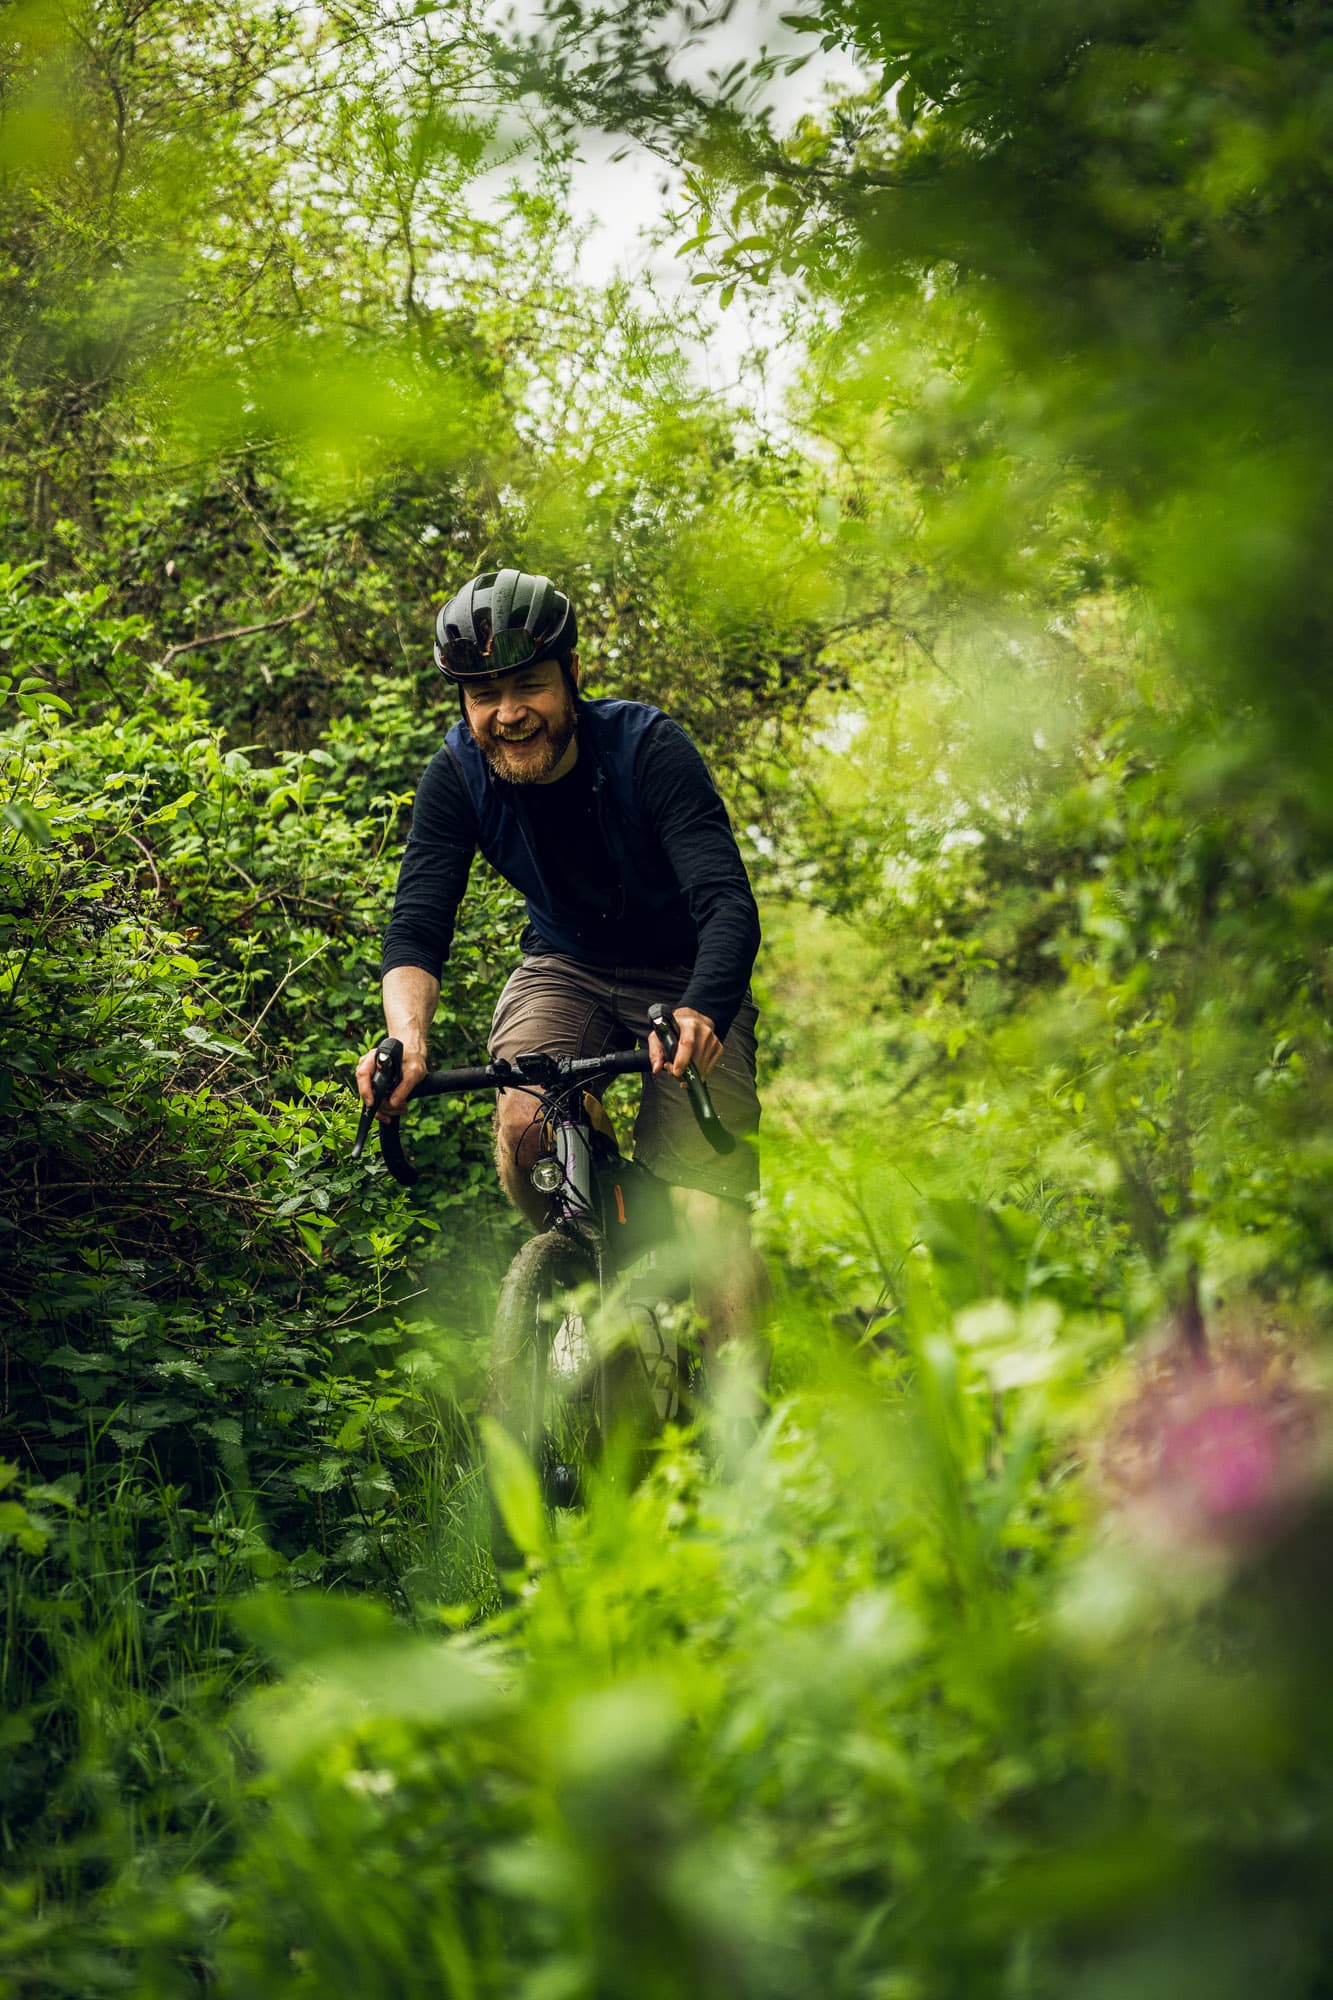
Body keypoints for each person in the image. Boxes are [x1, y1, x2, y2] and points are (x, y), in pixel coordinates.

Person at [356, 566, 767, 1377]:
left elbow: (727, 905)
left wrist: (703, 1013)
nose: (508, 713)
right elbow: (417, 925)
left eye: (528, 685)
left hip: (686, 974)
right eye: (483, 695)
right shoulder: (458, 775)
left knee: (705, 1210)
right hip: (565, 965)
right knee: (524, 1125)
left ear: (572, 676)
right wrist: (404, 1040)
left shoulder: (649, 750)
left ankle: (737, 1430)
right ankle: (595, 1265)